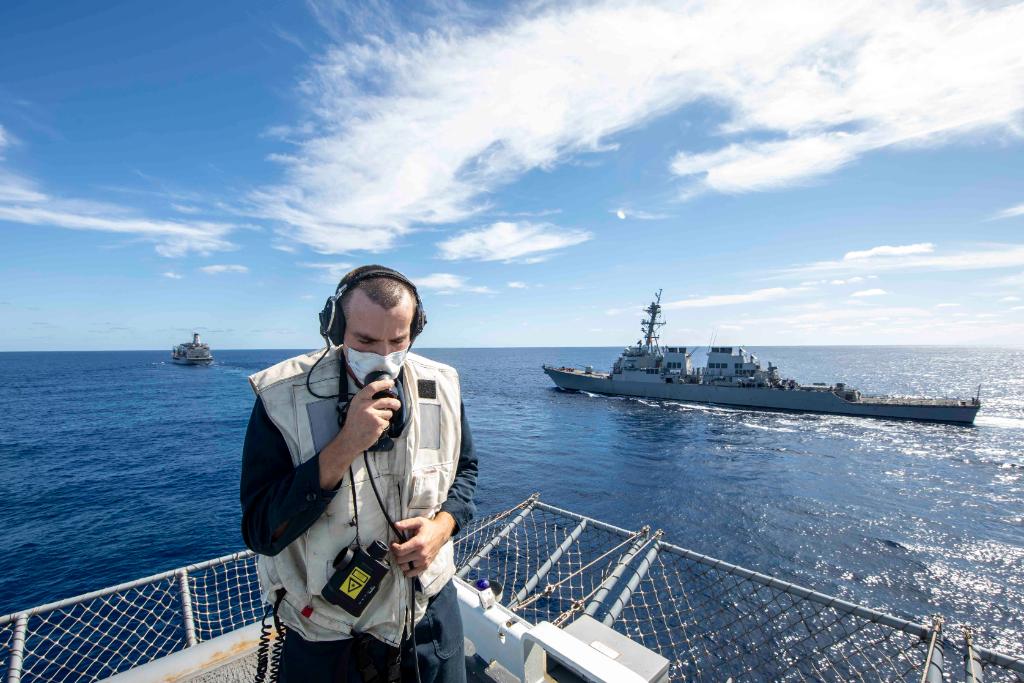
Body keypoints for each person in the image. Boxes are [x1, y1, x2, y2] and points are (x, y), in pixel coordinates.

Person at [240, 265, 478, 682]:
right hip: (328, 635)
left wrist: (442, 528)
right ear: (335, 329)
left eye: (398, 340)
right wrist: (347, 443)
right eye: (365, 341)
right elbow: (261, 528)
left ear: (415, 330)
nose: (383, 356)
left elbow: (466, 471)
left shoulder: (442, 384)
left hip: (428, 617)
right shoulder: (282, 398)